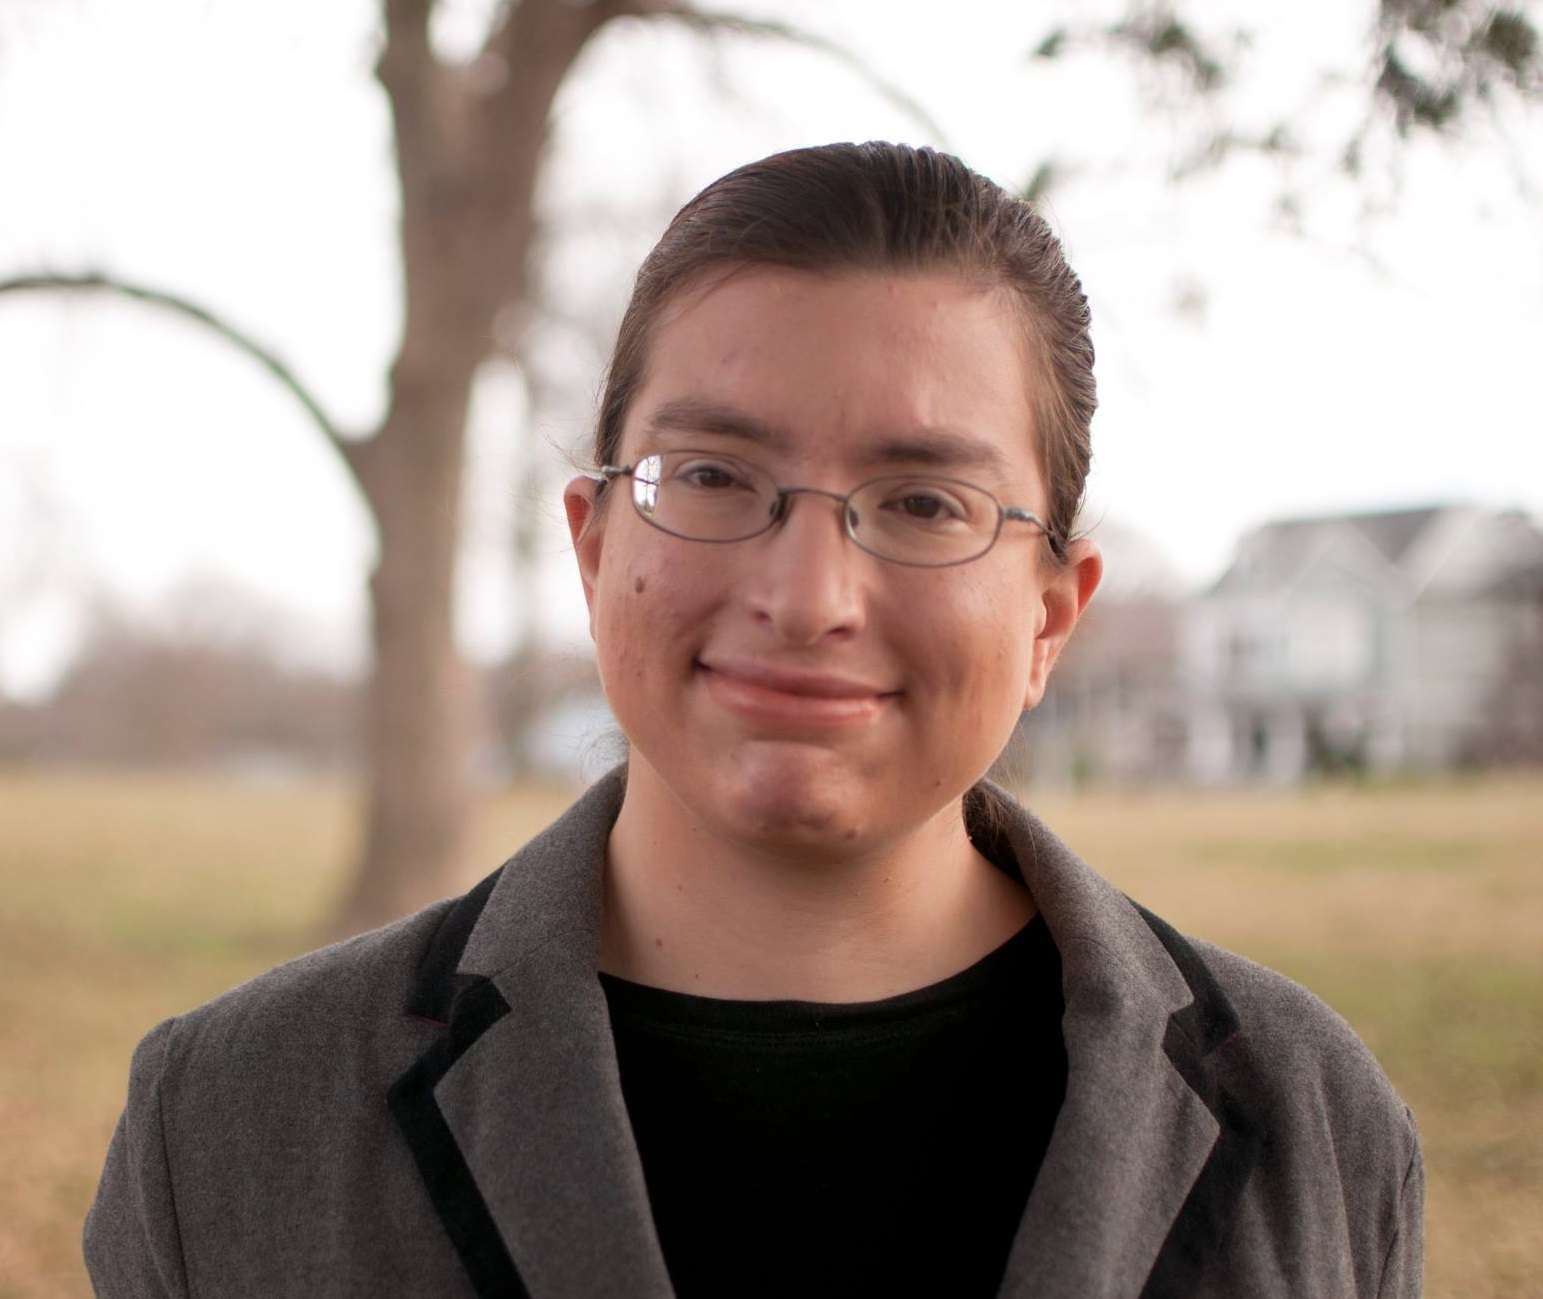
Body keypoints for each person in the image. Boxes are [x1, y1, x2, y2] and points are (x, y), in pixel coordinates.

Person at [85, 143, 1422, 1299]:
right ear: (594, 544)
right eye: (715, 475)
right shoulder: (228, 1122)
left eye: (924, 503)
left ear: (1052, 618)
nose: (806, 597)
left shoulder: (1314, 1122)